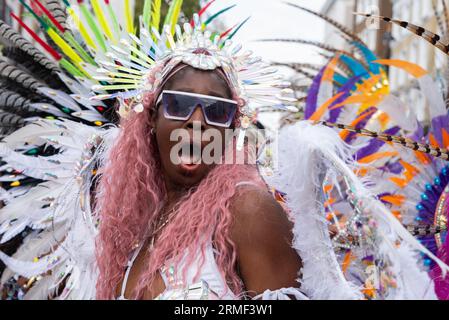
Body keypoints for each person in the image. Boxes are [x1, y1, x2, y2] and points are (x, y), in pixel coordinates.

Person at [0, 0, 446, 300]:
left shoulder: (246, 210)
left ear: (234, 127)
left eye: (216, 111)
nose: (197, 123)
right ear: (149, 119)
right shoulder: (141, 220)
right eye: (178, 105)